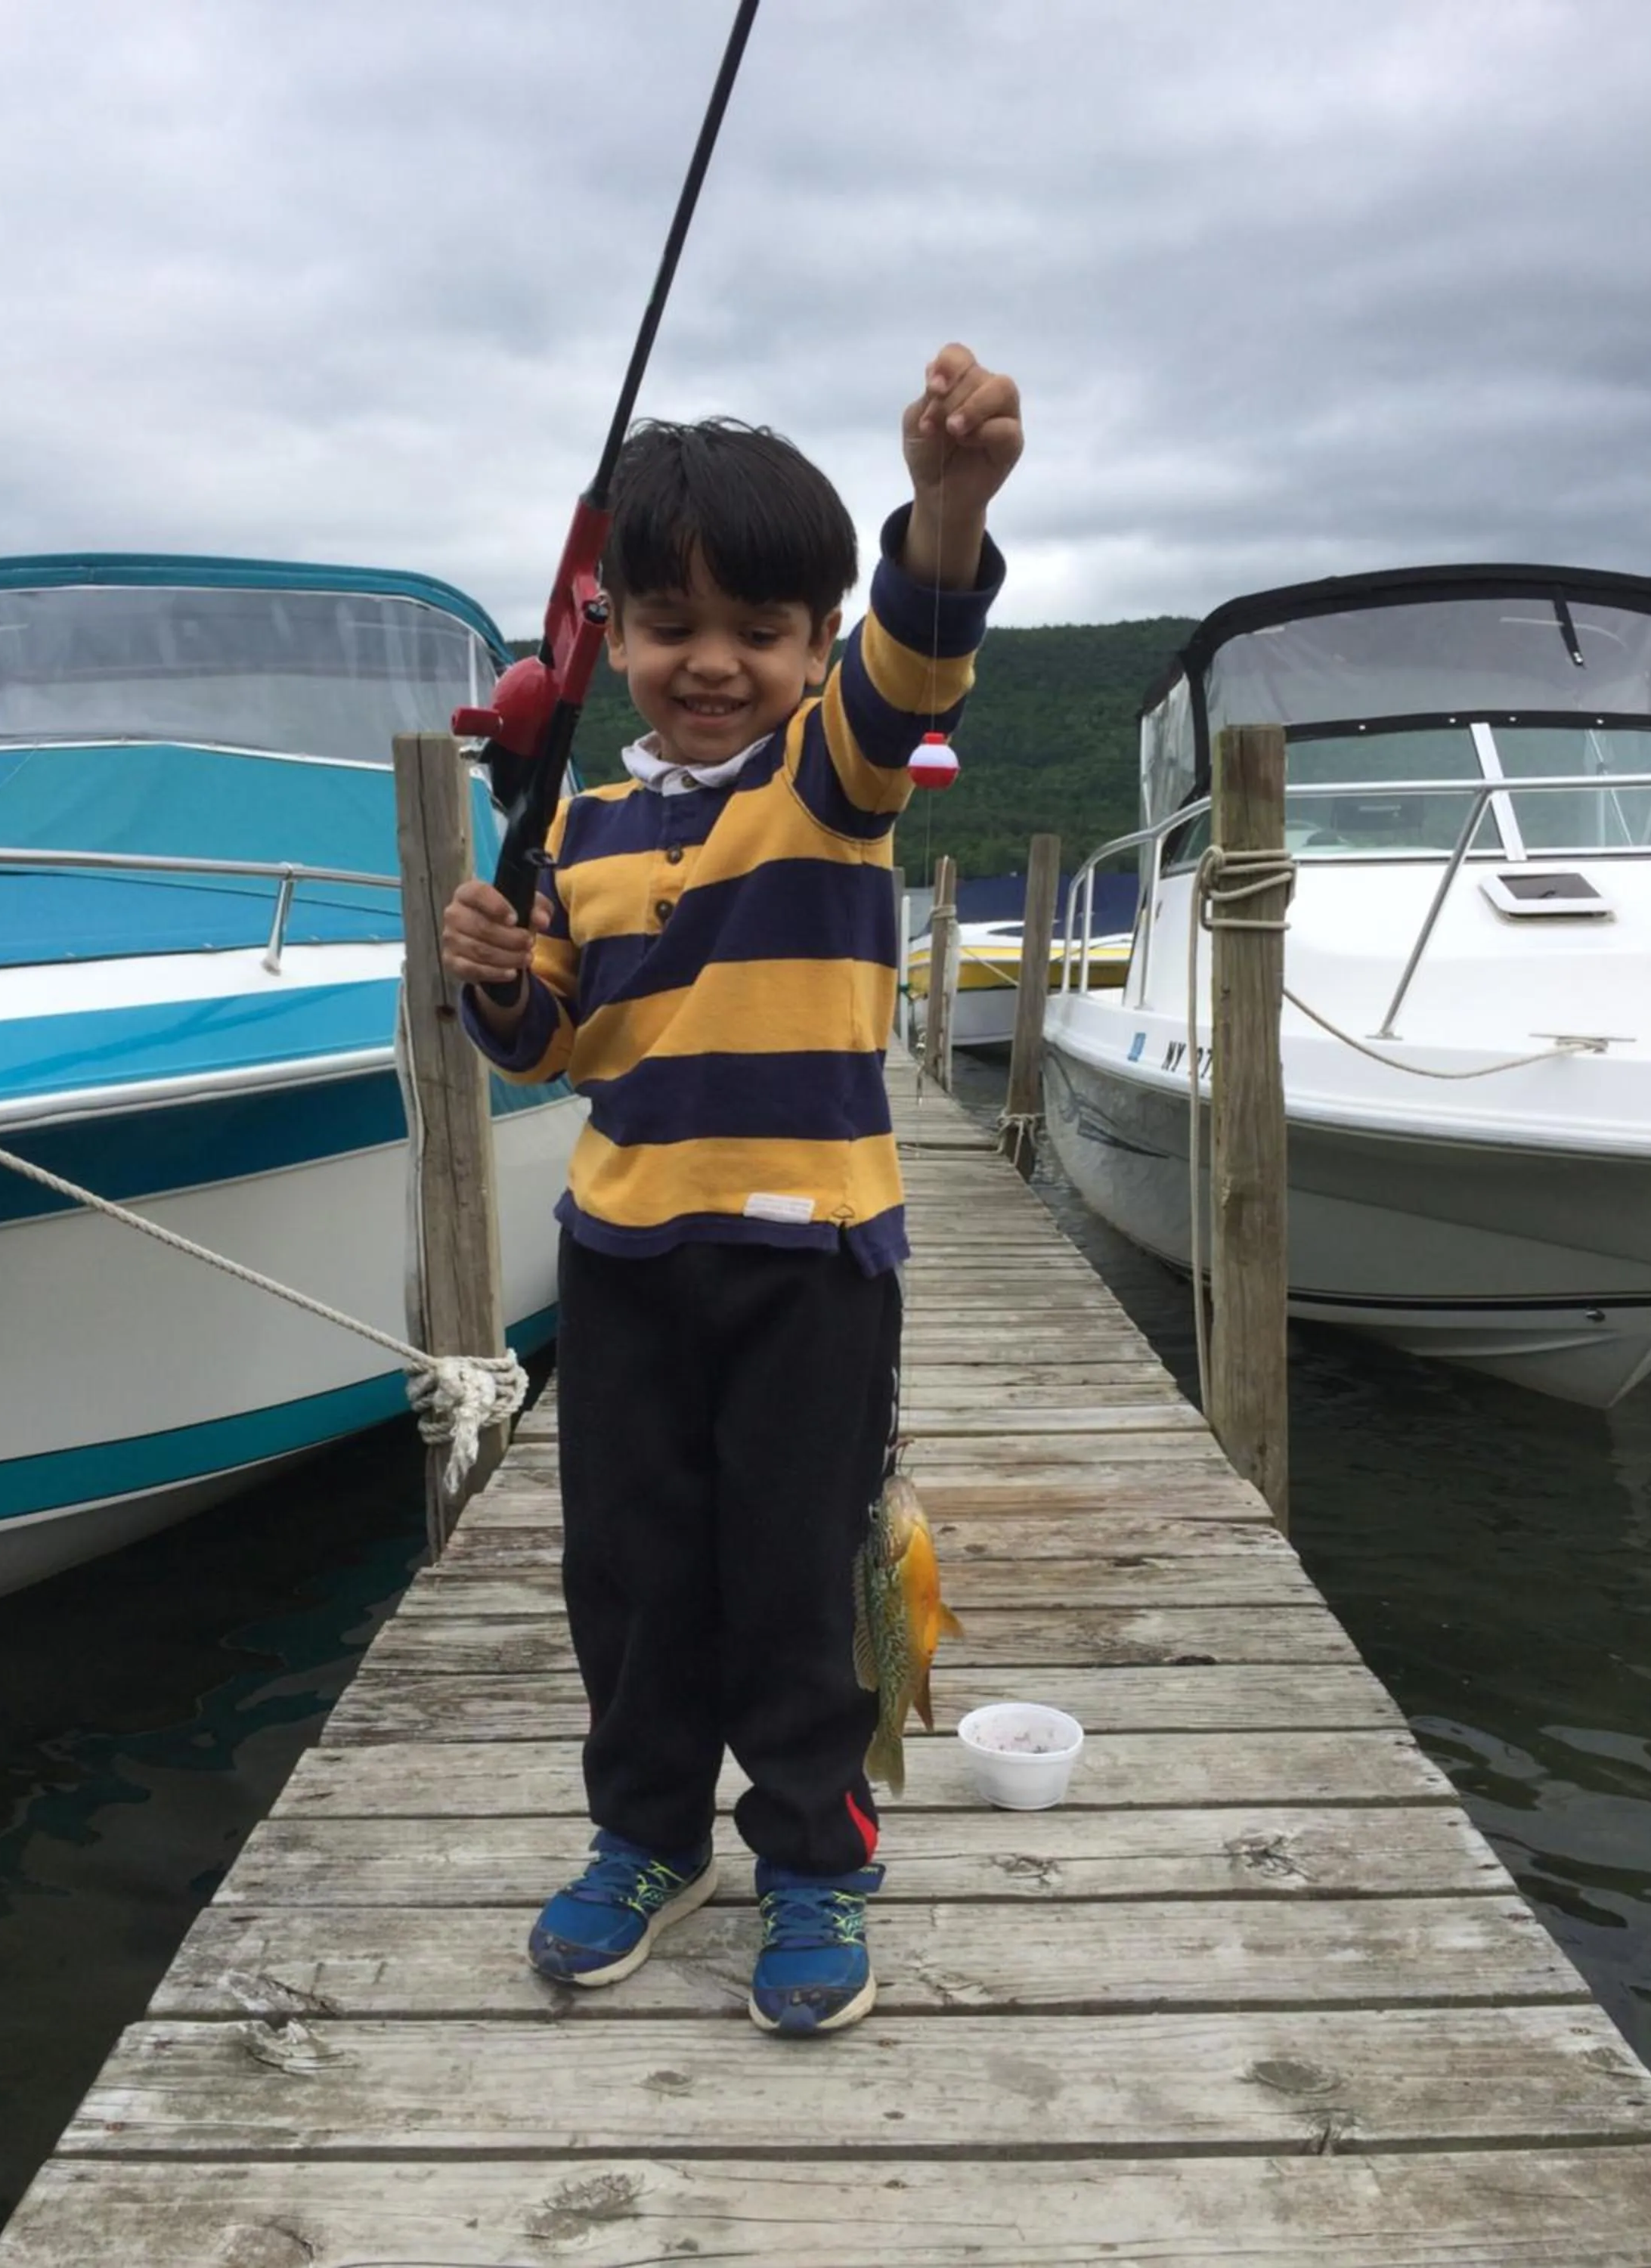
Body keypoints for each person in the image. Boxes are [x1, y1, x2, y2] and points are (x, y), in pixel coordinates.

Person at [441, 342, 1022, 2036]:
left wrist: (950, 508)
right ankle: (645, 1838)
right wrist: (494, 966)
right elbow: (549, 1048)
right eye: (671, 626)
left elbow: (916, 673)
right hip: (622, 1255)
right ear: (609, 632)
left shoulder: (830, 786)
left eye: (762, 634)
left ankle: (817, 1860)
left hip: (812, 1262)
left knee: (796, 1570)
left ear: (816, 646)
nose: (713, 664)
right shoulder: (573, 824)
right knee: (627, 1567)